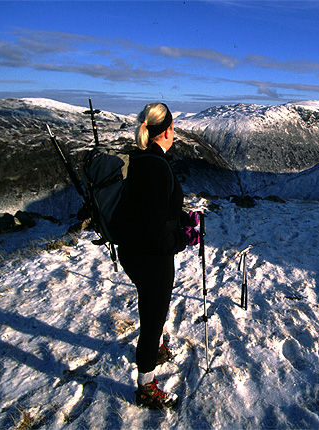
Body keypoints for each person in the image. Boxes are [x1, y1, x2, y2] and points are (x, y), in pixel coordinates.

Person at [117, 102, 200, 409]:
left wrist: (179, 219)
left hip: (133, 250)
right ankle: (146, 386)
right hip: (151, 255)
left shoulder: (141, 159)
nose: (175, 133)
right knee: (153, 318)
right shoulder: (157, 167)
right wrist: (183, 237)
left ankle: (152, 354)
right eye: (174, 128)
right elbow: (154, 228)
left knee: (152, 308)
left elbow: (148, 210)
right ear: (166, 132)